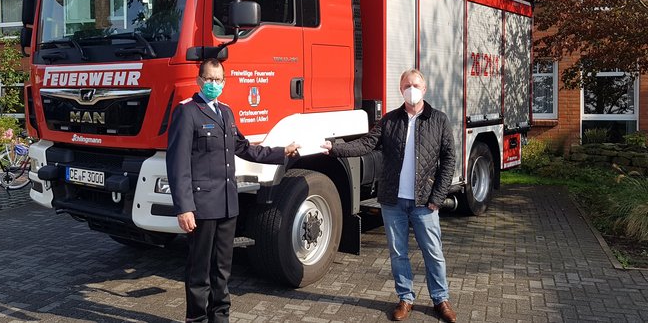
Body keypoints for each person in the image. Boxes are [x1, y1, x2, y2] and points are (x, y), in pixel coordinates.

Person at [166, 58, 300, 323]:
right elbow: (177, 163)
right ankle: (196, 319)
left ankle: (220, 317)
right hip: (203, 207)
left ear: (224, 82)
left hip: (228, 204)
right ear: (199, 80)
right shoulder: (187, 112)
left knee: (222, 269)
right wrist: (184, 207)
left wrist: (281, 152)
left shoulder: (226, 112)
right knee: (199, 271)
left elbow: (243, 148)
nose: (213, 84)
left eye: (218, 80)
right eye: (209, 79)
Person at [322, 68, 457, 322]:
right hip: (393, 201)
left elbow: (449, 160)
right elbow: (366, 143)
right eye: (406, 85)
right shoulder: (390, 120)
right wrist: (335, 149)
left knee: (433, 253)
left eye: (415, 85)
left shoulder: (438, 120)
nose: (411, 89)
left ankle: (441, 299)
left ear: (424, 89)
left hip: (424, 202)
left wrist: (437, 198)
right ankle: (406, 298)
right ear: (400, 89)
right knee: (398, 253)